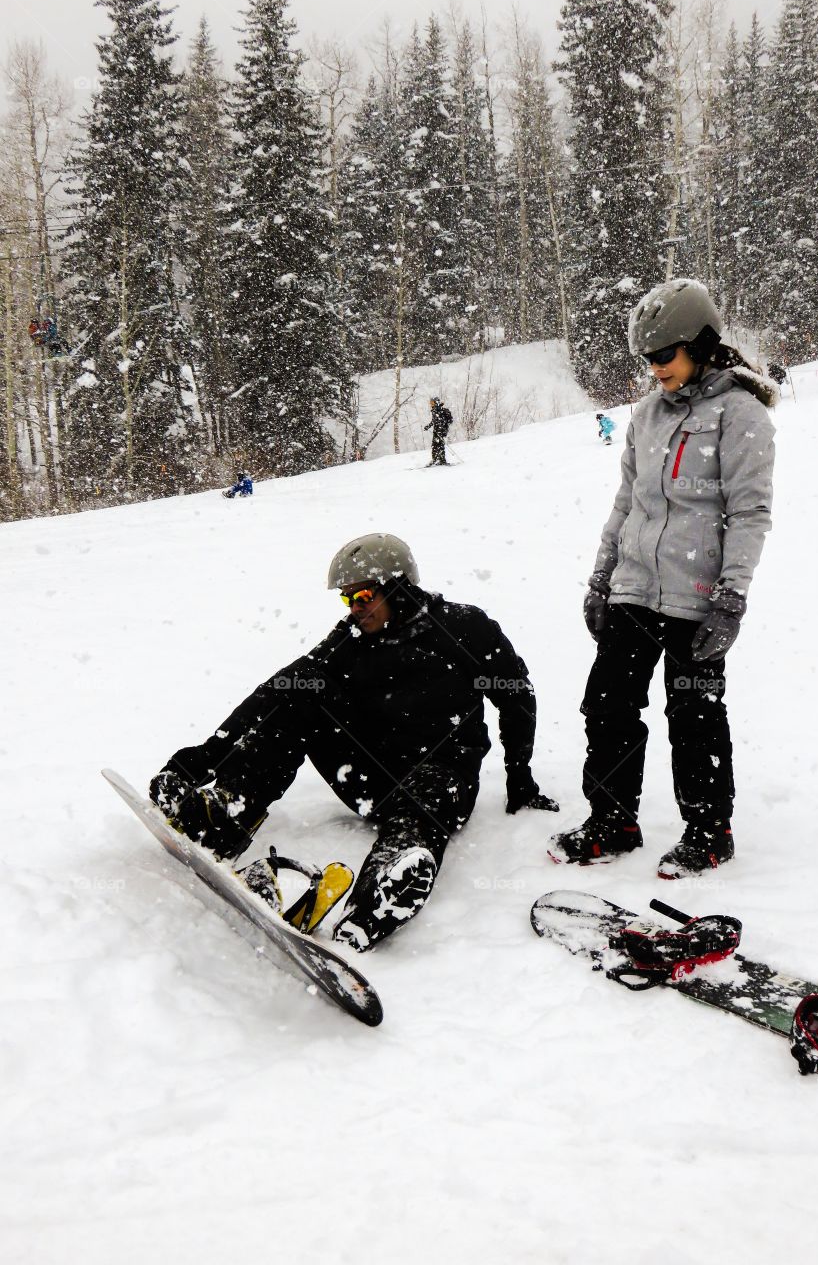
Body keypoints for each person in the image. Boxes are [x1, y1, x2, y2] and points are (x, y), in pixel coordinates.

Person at [150, 534, 557, 952]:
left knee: (425, 798)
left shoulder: (465, 627)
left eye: (362, 596)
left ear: (398, 588)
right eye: (348, 599)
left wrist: (519, 775)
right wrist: (206, 757)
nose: (354, 609)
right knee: (299, 696)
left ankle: (381, 892)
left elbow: (516, 696)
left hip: (443, 780)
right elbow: (279, 689)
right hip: (371, 779)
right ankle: (228, 812)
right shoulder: (351, 638)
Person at [549, 279, 777, 879]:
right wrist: (601, 578)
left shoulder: (741, 415)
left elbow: (749, 513)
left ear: (700, 345)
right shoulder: (647, 414)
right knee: (607, 704)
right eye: (647, 360)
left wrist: (731, 599)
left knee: (694, 714)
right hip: (632, 589)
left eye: (664, 357)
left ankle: (708, 831)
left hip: (697, 599)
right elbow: (628, 500)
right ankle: (612, 820)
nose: (655, 371)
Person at [424, 397, 453, 466]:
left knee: (437, 445)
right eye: (430, 403)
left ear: (436, 402)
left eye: (432, 403)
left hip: (441, 431)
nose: (431, 404)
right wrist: (428, 426)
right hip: (436, 431)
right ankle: (440, 460)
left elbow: (443, 421)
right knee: (437, 445)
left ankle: (437, 460)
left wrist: (441, 429)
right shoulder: (434, 411)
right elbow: (434, 421)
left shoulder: (440, 410)